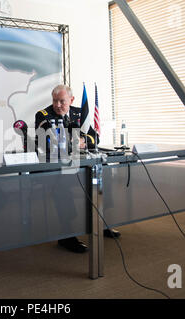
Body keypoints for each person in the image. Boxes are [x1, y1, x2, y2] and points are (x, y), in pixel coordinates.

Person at [34, 85, 120, 253]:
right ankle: (67, 235)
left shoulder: (80, 113)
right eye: (55, 101)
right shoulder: (43, 115)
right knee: (62, 187)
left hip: (80, 164)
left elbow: (95, 138)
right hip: (55, 166)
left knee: (104, 175)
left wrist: (83, 142)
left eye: (62, 101)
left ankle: (100, 223)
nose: (57, 105)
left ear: (71, 100)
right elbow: (46, 140)